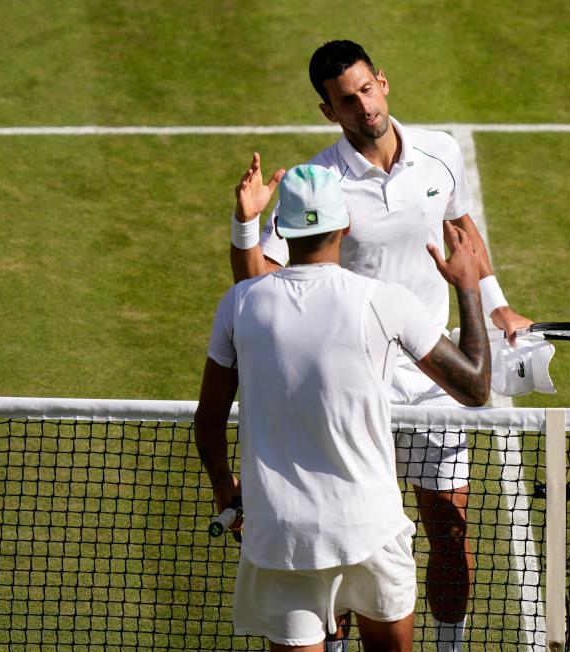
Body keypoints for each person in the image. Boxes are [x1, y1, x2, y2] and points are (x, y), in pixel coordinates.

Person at [227, 40, 534, 650]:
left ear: (384, 83)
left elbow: (459, 225)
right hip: (351, 389)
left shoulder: (441, 153)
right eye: (346, 100)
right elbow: (257, 284)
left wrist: (494, 301)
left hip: (432, 378)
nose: (363, 106)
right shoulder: (322, 182)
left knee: (449, 530)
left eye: (367, 90)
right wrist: (246, 225)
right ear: (328, 112)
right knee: (343, 539)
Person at [195, 163, 490, 651]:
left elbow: (208, 428)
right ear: (346, 223)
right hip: (369, 530)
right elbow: (476, 386)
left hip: (280, 536)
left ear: (283, 230)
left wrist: (227, 492)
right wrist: (468, 286)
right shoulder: (386, 302)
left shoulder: (239, 304)